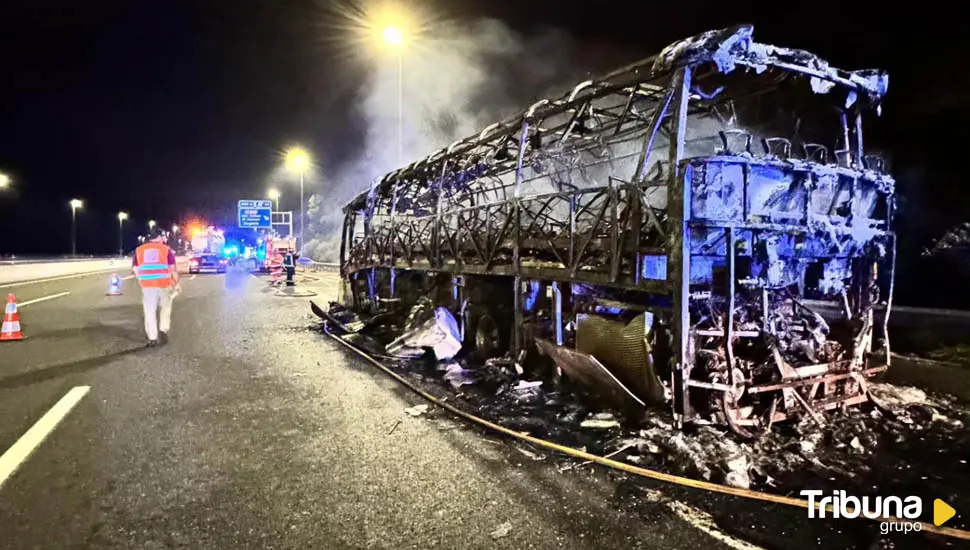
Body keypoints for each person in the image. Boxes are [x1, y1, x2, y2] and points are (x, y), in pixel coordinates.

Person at [132, 228, 180, 346]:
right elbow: (172, 269)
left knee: (149, 311)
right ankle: (163, 329)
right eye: (163, 237)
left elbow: (135, 268)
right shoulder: (166, 250)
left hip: (148, 286)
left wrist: (141, 279)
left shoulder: (139, 250)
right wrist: (177, 283)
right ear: (159, 237)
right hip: (164, 284)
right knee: (165, 308)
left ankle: (152, 338)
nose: (164, 239)